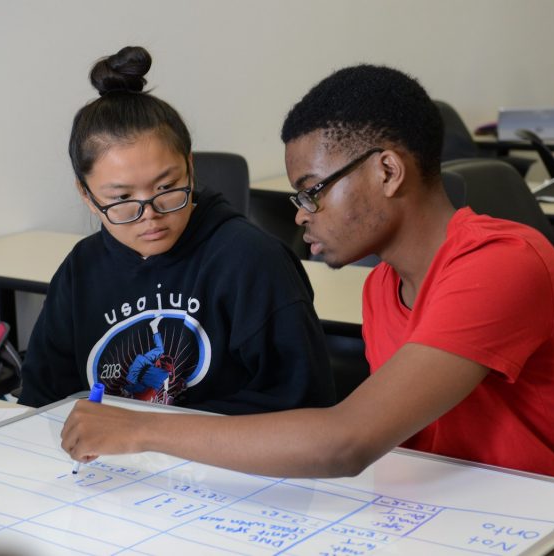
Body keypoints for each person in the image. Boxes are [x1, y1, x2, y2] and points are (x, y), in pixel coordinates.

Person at [62, 64, 554, 554]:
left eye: (313, 191)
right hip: (455, 525)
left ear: (387, 170)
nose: (299, 214)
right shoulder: (383, 286)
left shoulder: (500, 262)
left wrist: (140, 427)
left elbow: (345, 443)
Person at [18, 46, 335, 414]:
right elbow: (43, 401)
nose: (150, 215)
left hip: (230, 465)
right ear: (87, 196)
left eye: (167, 188)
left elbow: (303, 404)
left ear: (189, 166)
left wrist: (152, 436)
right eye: (121, 198)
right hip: (110, 467)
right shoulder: (81, 269)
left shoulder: (251, 261)